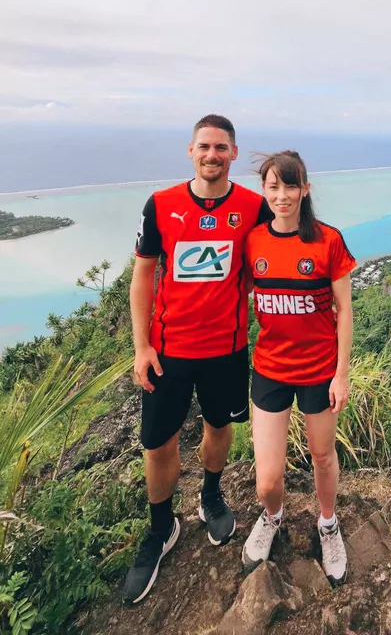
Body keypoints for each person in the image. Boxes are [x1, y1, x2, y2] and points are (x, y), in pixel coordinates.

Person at [122, 114, 273, 605]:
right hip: (168, 351)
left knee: (218, 427)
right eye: (204, 146)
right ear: (191, 151)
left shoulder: (253, 208)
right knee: (159, 442)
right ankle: (162, 529)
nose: (213, 155)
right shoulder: (161, 205)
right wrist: (142, 346)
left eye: (222, 148)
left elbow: (270, 262)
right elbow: (143, 276)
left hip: (226, 350)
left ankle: (211, 496)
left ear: (233, 154)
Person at [241, 150, 355, 586]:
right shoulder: (254, 242)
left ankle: (328, 524)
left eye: (291, 185)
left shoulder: (328, 240)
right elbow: (237, 295)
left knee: (322, 455)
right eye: (274, 185)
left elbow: (344, 310)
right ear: (264, 190)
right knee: (267, 479)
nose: (282, 194)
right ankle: (273, 516)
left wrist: (342, 372)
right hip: (269, 367)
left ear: (305, 189)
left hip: (319, 369)